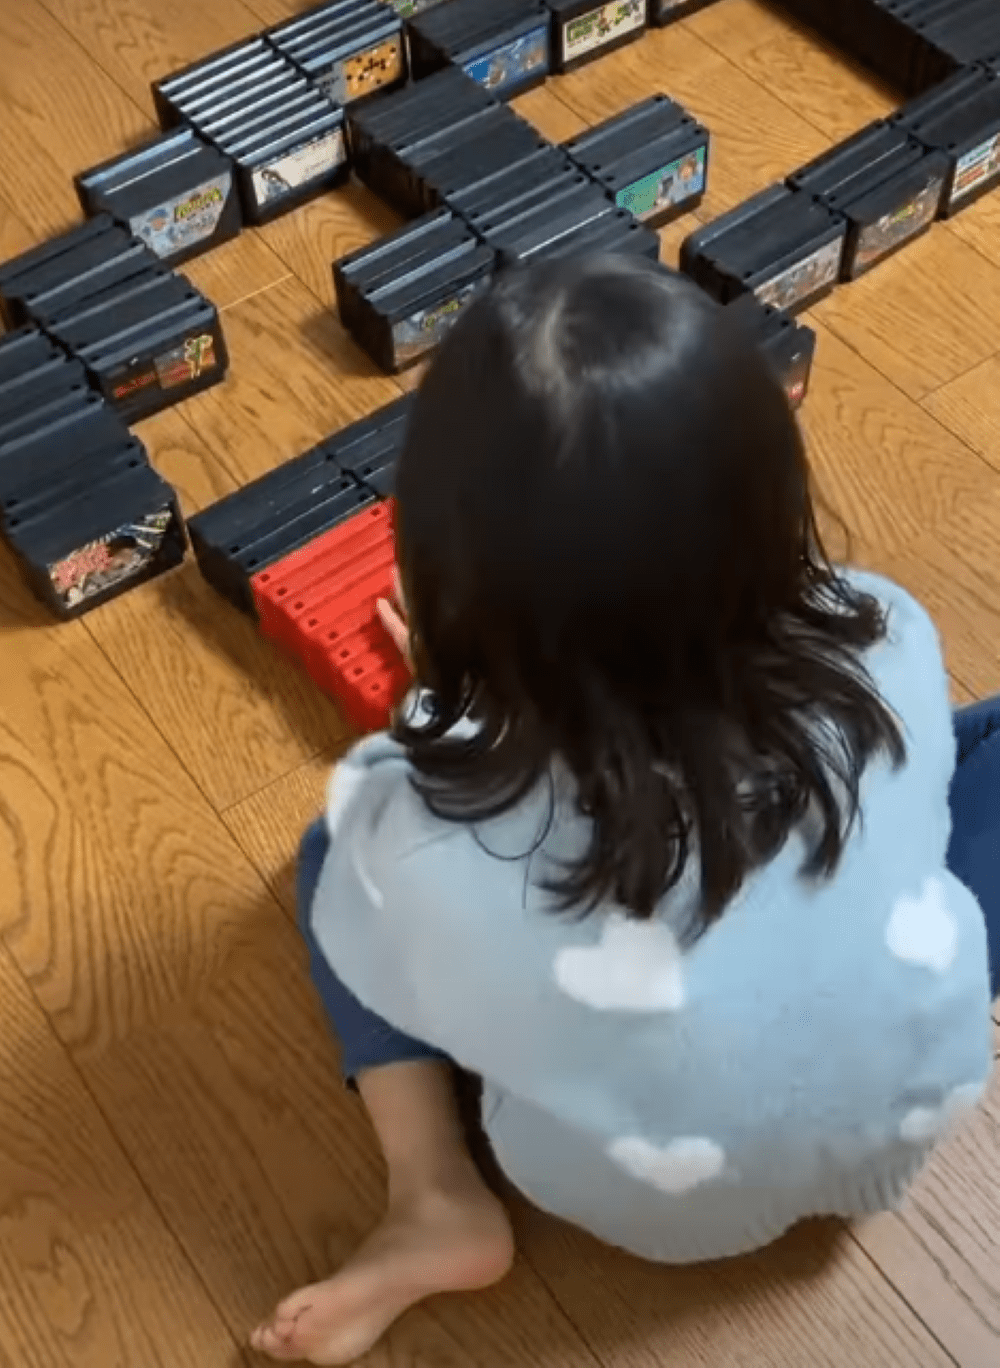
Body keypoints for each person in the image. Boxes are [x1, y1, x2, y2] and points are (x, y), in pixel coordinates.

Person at [252, 256, 997, 1365]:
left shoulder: (451, 807)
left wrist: (443, 703)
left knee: (337, 848)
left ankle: (434, 1195)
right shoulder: (887, 629)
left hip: (639, 1203)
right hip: (891, 1135)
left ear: (454, 575)